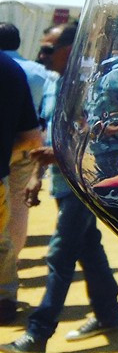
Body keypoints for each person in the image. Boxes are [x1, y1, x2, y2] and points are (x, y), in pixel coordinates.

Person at [1, 22, 118, 353]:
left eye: (46, 49)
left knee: (59, 253)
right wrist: (37, 174)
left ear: (67, 51)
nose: (40, 56)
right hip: (62, 181)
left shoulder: (105, 80)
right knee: (89, 248)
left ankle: (38, 333)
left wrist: (63, 154)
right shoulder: (59, 83)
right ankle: (108, 314)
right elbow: (48, 134)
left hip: (87, 181)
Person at [0, 22, 49, 321]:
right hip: (13, 158)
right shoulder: (12, 69)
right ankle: (4, 297)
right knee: (12, 219)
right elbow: (32, 137)